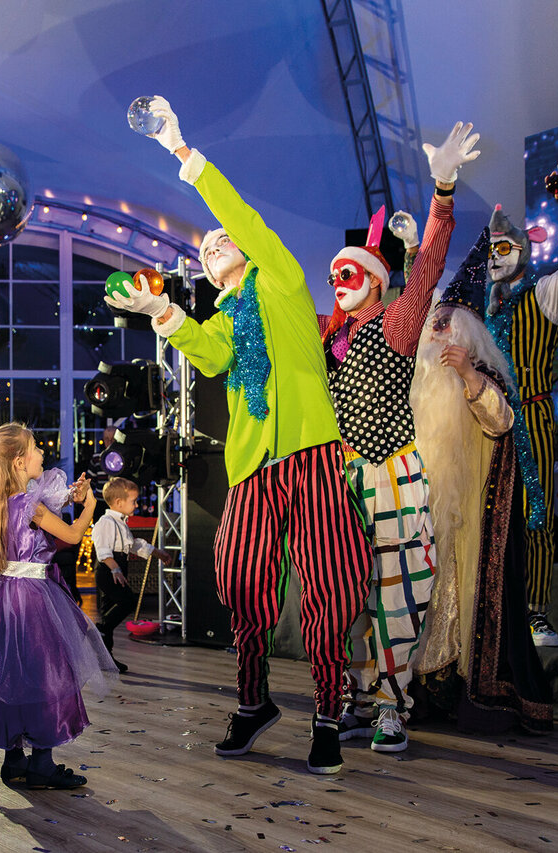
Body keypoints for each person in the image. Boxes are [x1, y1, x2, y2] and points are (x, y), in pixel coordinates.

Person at [106, 96, 373, 775]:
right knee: (241, 579)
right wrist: (161, 308)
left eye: (220, 238)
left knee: (329, 586)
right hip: (253, 467)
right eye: (205, 248)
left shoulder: (280, 278)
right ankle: (253, 701)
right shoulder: (225, 320)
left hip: (312, 453)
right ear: (209, 274)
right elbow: (207, 351)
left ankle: (328, 714)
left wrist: (182, 151)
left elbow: (243, 218)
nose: (214, 242)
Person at [320, 122, 478, 753]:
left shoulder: (395, 320)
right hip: (343, 477)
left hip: (393, 471)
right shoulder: (328, 338)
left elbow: (429, 265)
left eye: (348, 271)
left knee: (400, 590)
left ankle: (391, 705)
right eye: (333, 273)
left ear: (375, 279)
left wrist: (443, 189)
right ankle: (359, 699)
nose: (338, 279)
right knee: (348, 593)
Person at [412, 231, 553, 733]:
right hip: (433, 516)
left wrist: (470, 375)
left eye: (446, 325)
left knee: (470, 596)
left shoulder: (484, 372)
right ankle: (431, 690)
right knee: (434, 597)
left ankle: (477, 689)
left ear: (467, 333)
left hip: (476, 515)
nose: (437, 333)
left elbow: (501, 421)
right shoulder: (422, 385)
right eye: (434, 324)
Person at [0, 422, 116, 789]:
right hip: (34, 599)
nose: (42, 453)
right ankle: (41, 764)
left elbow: (45, 504)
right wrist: (90, 505)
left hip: (4, 597)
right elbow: (71, 535)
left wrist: (69, 496)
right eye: (36, 448)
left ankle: (14, 760)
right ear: (19, 462)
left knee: (10, 675)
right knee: (46, 675)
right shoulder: (29, 505)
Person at [484, 161, 558, 647]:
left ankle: (536, 613)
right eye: (491, 250)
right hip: (482, 421)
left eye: (504, 248)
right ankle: (491, 613)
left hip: (530, 416)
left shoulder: (544, 295)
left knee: (534, 515)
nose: (495, 258)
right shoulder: (478, 310)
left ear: (523, 251)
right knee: (486, 518)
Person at [90, 476, 172, 673]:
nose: (136, 505)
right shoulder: (106, 522)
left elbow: (133, 544)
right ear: (119, 502)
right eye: (133, 501)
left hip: (119, 567)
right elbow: (103, 550)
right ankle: (100, 629)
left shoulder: (121, 523)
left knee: (109, 609)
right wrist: (115, 569)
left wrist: (158, 553)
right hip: (108, 569)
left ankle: (105, 657)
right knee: (127, 601)